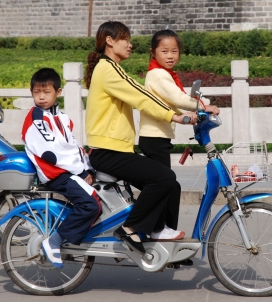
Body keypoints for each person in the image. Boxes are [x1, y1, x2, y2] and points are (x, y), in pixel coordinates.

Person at [84, 21, 195, 255]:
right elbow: (141, 96)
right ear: (110, 41)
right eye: (125, 39)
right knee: (163, 177)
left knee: (170, 184)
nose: (130, 44)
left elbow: (138, 91)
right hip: (107, 151)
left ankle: (159, 235)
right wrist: (174, 116)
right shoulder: (107, 68)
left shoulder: (113, 68)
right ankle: (131, 227)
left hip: (116, 148)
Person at [22, 67, 101, 268]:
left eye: (46, 92)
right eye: (37, 92)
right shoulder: (37, 120)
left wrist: (88, 168)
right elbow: (53, 153)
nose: (41, 97)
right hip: (57, 174)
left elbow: (73, 146)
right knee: (91, 205)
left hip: (70, 170)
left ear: (58, 93)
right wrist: (81, 171)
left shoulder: (62, 117)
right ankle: (55, 241)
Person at [139, 29, 220, 169]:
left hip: (158, 136)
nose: (170, 56)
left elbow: (170, 102)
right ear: (152, 52)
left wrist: (185, 115)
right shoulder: (158, 75)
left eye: (174, 51)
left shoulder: (162, 73)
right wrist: (203, 106)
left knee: (163, 181)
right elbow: (178, 98)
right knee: (164, 183)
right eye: (164, 51)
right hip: (154, 137)